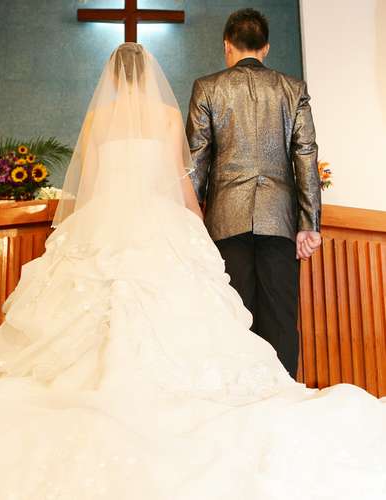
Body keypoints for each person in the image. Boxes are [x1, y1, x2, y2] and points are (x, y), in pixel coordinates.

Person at [0, 43, 385, 500]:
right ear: (149, 75)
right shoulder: (166, 115)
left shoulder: (97, 117)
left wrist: (85, 224)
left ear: (111, 76)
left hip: (105, 218)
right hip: (159, 220)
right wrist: (196, 226)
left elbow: (90, 180)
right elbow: (181, 181)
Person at [186, 8, 321, 378]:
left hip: (225, 223)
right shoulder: (293, 89)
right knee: (281, 319)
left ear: (227, 46)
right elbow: (305, 155)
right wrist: (309, 223)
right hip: (279, 222)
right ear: (266, 48)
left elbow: (196, 160)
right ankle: (282, 397)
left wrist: (191, 222)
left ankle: (240, 399)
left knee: (234, 319)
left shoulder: (208, 88)